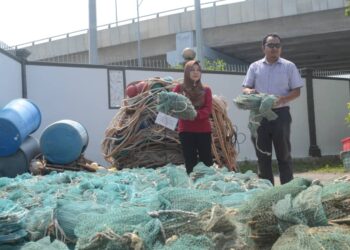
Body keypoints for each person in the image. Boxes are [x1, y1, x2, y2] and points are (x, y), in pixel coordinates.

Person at [242, 33, 303, 185]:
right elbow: (246, 88)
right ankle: (266, 190)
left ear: (281, 49)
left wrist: (283, 99)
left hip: (280, 114)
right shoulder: (254, 66)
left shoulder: (289, 66)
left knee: (284, 154)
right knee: (263, 154)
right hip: (259, 115)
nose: (274, 48)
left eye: (277, 45)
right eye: (270, 45)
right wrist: (249, 92)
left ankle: (288, 188)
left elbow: (297, 91)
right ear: (263, 48)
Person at [173, 60, 213, 174]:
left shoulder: (206, 90)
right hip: (186, 131)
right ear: (186, 72)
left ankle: (208, 184)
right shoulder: (179, 89)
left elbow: (208, 109)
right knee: (190, 161)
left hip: (203, 131)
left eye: (198, 70)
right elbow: (173, 105)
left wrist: (195, 114)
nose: (196, 72)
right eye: (192, 70)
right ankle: (193, 185)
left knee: (206, 160)